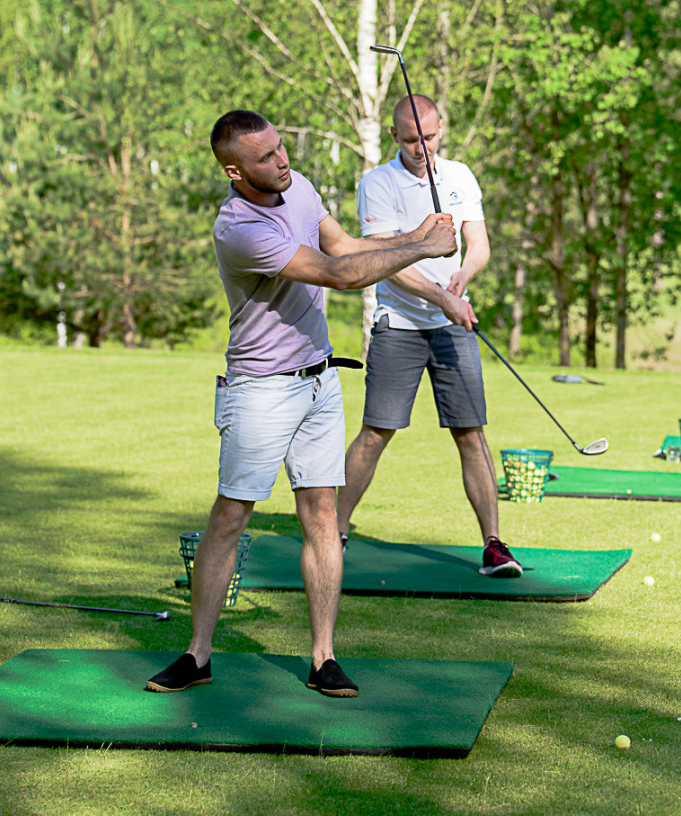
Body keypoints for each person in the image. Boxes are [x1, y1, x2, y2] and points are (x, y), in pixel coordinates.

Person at [146, 109, 458, 697]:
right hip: (261, 387)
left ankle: (323, 658)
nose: (282, 161)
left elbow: (347, 244)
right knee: (232, 515)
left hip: (320, 382)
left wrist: (411, 235)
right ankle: (198, 654)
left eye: (281, 148)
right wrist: (419, 247)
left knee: (321, 515)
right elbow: (337, 274)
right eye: (265, 158)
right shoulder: (238, 228)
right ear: (235, 171)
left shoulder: (300, 186)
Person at [336, 95, 522, 578]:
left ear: (442, 130)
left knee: (470, 432)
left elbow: (477, 243)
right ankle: (334, 530)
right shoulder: (377, 183)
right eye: (413, 138)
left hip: (451, 323)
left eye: (431, 136)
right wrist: (441, 298)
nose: (423, 146)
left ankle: (495, 545)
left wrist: (462, 278)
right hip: (399, 324)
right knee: (377, 431)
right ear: (395, 136)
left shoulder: (459, 176)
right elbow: (383, 261)